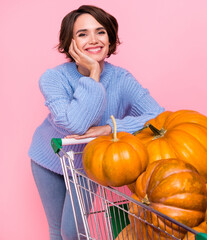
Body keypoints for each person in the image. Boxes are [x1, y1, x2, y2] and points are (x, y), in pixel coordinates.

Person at [28, 5, 164, 240]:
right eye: (82, 34)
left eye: (100, 32)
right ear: (70, 43)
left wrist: (110, 129)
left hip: (88, 164)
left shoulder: (122, 79)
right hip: (47, 159)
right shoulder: (53, 78)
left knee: (72, 233)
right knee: (56, 230)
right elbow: (75, 125)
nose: (93, 39)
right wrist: (93, 74)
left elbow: (158, 118)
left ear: (110, 39)